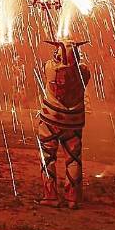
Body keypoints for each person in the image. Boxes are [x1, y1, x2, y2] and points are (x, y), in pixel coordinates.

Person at [37, 40, 91, 209]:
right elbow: (74, 69)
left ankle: (50, 195)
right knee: (73, 158)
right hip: (73, 121)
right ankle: (73, 198)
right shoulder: (84, 71)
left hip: (50, 120)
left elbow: (50, 65)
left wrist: (60, 52)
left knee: (48, 158)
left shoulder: (50, 68)